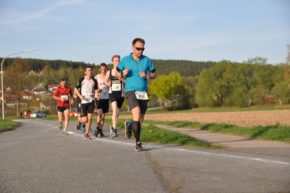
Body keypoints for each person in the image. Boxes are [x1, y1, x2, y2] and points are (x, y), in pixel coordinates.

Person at [116, 38, 156, 151]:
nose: (140, 51)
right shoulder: (125, 60)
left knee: (140, 119)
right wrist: (122, 74)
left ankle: (129, 125)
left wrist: (147, 75)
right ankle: (138, 143)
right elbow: (116, 72)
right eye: (138, 49)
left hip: (143, 93)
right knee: (137, 113)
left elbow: (154, 74)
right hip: (130, 91)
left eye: (142, 49)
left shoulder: (147, 60)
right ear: (133, 47)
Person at [74, 66, 98, 139]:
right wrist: (80, 96)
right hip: (83, 101)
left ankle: (86, 133)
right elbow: (75, 89)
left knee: (90, 118)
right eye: (88, 70)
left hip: (91, 100)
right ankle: (79, 121)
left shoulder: (94, 80)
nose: (89, 71)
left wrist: (96, 95)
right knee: (85, 119)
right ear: (85, 72)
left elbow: (96, 89)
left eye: (90, 70)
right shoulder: (82, 79)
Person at [106, 55, 125, 137]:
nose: (117, 62)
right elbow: (105, 81)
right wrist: (108, 84)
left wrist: (121, 79)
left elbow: (126, 81)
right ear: (113, 62)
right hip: (112, 93)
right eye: (116, 60)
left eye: (118, 60)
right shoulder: (109, 72)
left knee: (117, 113)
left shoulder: (122, 71)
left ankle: (113, 127)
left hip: (121, 94)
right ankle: (114, 129)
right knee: (114, 110)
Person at [94, 63, 110, 137]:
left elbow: (111, 85)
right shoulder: (97, 77)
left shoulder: (108, 77)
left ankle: (100, 129)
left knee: (103, 116)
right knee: (100, 115)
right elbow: (93, 87)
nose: (103, 70)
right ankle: (97, 128)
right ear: (100, 69)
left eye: (104, 69)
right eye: (102, 69)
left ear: (106, 69)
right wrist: (97, 92)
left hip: (106, 98)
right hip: (99, 98)